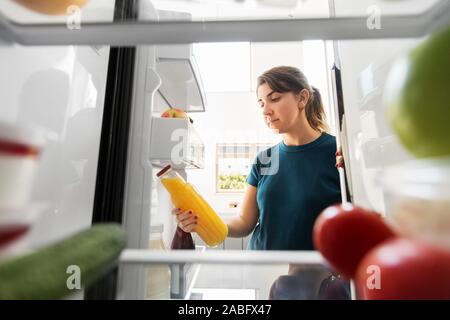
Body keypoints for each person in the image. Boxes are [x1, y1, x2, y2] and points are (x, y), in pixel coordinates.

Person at [173, 65, 344, 251]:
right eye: (261, 103)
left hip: (316, 274)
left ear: (302, 98)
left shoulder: (337, 153)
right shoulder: (265, 159)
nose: (265, 111)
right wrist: (202, 221)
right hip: (261, 268)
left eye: (274, 99)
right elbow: (245, 222)